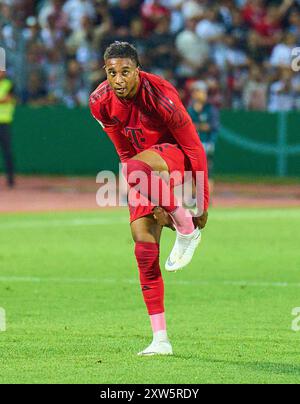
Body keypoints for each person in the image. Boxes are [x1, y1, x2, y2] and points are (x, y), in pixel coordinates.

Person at [89, 42, 209, 356]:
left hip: (175, 160)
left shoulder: (163, 97)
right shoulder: (100, 102)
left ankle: (186, 227)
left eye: (125, 72)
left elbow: (194, 148)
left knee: (132, 169)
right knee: (144, 248)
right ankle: (160, 340)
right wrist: (150, 192)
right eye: (112, 72)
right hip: (143, 169)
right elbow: (125, 151)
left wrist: (202, 200)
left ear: (138, 72)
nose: (118, 79)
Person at [188, 80, 219, 196]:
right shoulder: (190, 109)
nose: (200, 94)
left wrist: (196, 126)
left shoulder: (210, 109)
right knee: (190, 171)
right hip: (192, 146)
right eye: (197, 91)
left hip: (206, 144)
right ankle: (194, 196)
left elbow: (212, 127)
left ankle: (207, 198)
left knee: (207, 171)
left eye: (201, 91)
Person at [0, 70, 16, 188]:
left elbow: (8, 98)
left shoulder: (9, 84)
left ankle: (11, 180)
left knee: (7, 152)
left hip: (4, 122)